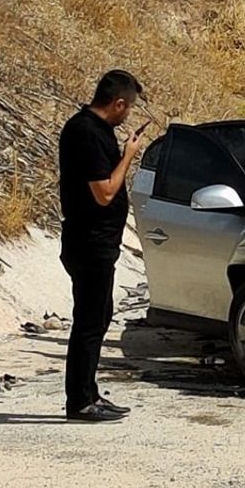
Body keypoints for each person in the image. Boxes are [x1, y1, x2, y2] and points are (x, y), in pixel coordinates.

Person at [58, 70, 147, 422]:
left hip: (97, 242)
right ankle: (79, 402)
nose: (129, 115)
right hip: (89, 241)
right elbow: (104, 191)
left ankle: (89, 392)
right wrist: (128, 156)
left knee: (99, 315)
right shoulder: (86, 133)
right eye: (129, 108)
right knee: (90, 321)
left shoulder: (96, 131)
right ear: (118, 103)